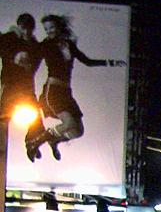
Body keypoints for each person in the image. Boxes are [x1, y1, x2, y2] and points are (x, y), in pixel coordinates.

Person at [25, 14, 126, 162]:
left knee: (78, 131)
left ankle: (55, 140)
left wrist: (111, 62)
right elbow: (33, 60)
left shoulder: (68, 44)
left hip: (66, 92)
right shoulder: (45, 45)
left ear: (59, 27)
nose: (49, 31)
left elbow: (87, 61)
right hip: (53, 91)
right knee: (69, 123)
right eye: (46, 29)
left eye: (51, 27)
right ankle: (36, 143)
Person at [0, 13, 40, 122]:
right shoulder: (9, 38)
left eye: (29, 29)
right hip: (9, 83)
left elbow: (36, 63)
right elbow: (3, 50)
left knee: (35, 118)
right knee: (4, 115)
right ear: (19, 27)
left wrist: (29, 65)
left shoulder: (34, 44)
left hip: (26, 85)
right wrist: (14, 57)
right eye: (23, 29)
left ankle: (37, 133)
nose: (26, 32)